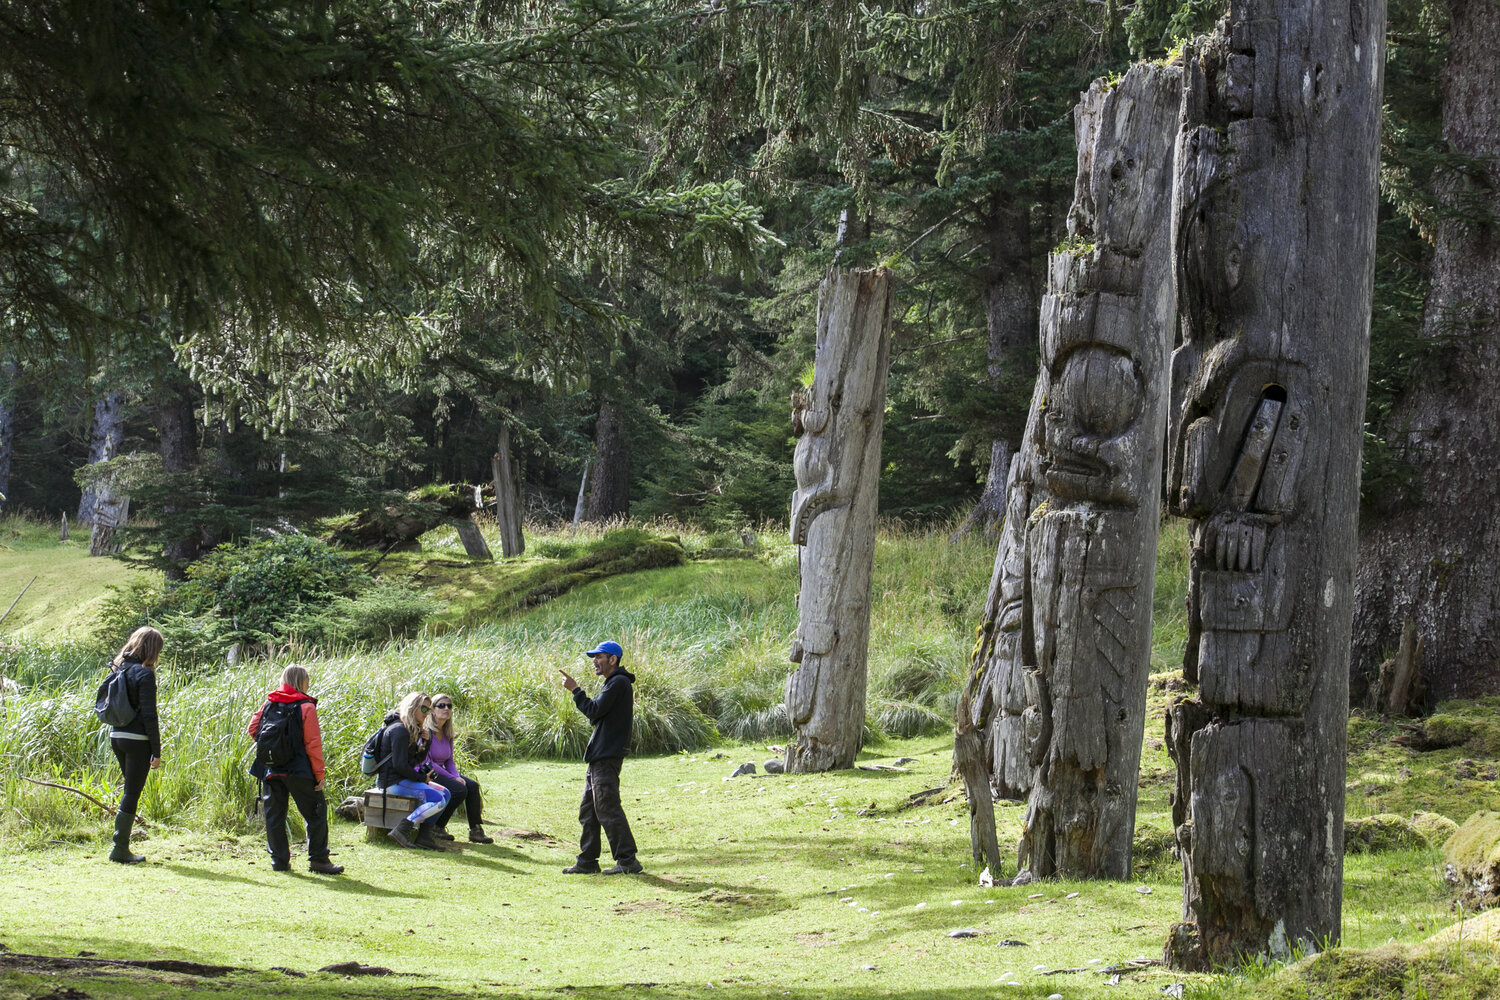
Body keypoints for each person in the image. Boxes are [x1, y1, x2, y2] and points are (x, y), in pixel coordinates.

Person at [246, 664, 344, 875]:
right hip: (299, 770)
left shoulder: (269, 703)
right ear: (302, 682)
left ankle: (279, 861)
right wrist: (319, 774)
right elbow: (312, 744)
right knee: (316, 813)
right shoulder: (306, 706)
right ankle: (319, 860)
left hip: (271, 769)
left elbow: (253, 729)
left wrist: (274, 747)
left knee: (274, 816)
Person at [558, 640, 640, 875]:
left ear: (612, 660)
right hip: (599, 757)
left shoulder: (618, 683)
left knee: (607, 807)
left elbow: (593, 711)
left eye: (599, 656)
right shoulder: (613, 684)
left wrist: (575, 690)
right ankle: (587, 861)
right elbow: (599, 715)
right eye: (594, 656)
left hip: (607, 756)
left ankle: (627, 860)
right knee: (589, 810)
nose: (595, 661)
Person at [105, 626, 163, 864]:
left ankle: (120, 846)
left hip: (116, 735)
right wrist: (156, 751)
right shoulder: (145, 674)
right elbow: (150, 715)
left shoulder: (117, 668)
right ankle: (119, 849)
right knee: (131, 792)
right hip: (138, 739)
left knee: (129, 789)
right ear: (152, 649)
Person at [377, 691, 450, 851]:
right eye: (424, 709)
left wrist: (427, 743)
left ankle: (424, 837)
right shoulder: (399, 730)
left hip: (403, 779)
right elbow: (399, 766)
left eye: (429, 709)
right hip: (393, 782)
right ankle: (403, 829)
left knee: (446, 793)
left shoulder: (410, 729)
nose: (428, 713)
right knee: (438, 799)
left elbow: (414, 761)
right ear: (412, 708)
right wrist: (421, 778)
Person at [424, 694, 494, 844]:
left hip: (443, 770)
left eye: (449, 706)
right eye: (441, 705)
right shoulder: (427, 732)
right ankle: (437, 826)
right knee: (458, 790)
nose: (446, 709)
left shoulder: (448, 733)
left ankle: (475, 830)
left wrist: (456, 775)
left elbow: (449, 760)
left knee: (472, 786)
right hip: (429, 771)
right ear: (433, 710)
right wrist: (452, 778)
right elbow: (428, 761)